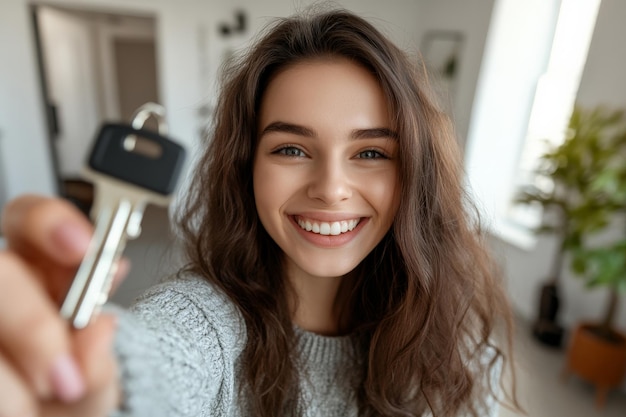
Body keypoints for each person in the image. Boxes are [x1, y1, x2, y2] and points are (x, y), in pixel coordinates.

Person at [0, 8, 518, 417]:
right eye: (291, 149)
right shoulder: (201, 325)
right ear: (246, 166)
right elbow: (144, 366)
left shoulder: (455, 332)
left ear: (415, 174)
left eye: (371, 153)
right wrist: (90, 382)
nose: (332, 189)